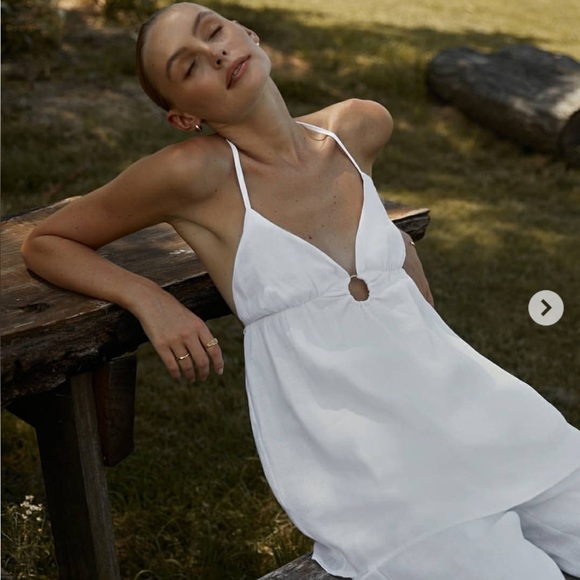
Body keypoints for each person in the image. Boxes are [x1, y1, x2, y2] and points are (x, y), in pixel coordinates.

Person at [21, 3, 580, 579]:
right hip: (374, 469)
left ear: (248, 33)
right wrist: (148, 298)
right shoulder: (193, 176)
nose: (214, 53)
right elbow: (48, 243)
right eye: (189, 67)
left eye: (214, 32)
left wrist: (399, 273)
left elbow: (397, 279)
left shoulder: (358, 127)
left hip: (474, 410)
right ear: (184, 116)